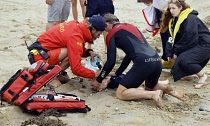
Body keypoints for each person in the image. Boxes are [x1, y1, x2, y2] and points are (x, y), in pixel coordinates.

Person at [91, 13, 185, 108]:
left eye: (104, 29)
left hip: (143, 63)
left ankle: (153, 94)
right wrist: (117, 73)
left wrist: (99, 80)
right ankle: (166, 88)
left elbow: (111, 61)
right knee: (149, 87)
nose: (104, 32)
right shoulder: (131, 26)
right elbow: (129, 54)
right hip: (156, 60)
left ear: (107, 24)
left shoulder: (112, 34)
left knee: (120, 93)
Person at [27, 15, 106, 87]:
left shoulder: (76, 25)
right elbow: (76, 69)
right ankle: (50, 76)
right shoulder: (76, 36)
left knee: (71, 55)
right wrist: (94, 74)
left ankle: (52, 73)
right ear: (93, 30)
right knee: (69, 54)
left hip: (39, 52)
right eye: (99, 34)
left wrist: (88, 52)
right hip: (39, 57)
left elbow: (77, 49)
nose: (98, 37)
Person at [160, 0, 210, 89]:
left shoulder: (190, 18)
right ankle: (188, 73)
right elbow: (170, 38)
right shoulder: (174, 20)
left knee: (183, 59)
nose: (171, 11)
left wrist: (176, 52)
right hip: (194, 44)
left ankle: (202, 76)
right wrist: (169, 53)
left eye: (173, 8)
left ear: (180, 8)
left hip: (205, 45)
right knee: (174, 63)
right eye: (170, 8)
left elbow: (190, 37)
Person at [137, 0, 174, 69]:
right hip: (164, 5)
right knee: (165, 32)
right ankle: (167, 57)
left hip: (166, 6)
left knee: (167, 32)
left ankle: (168, 58)